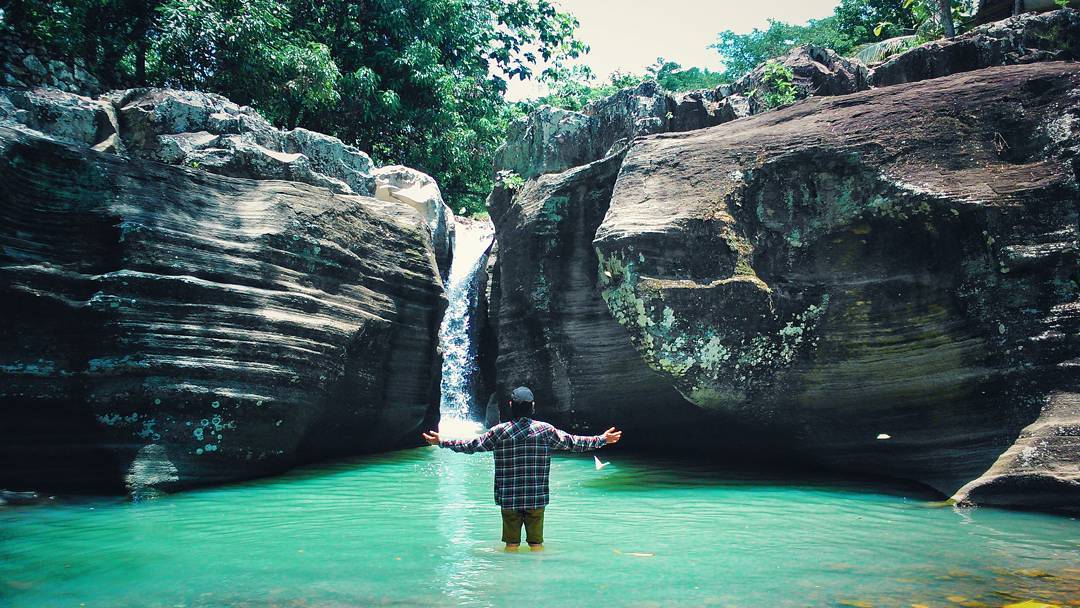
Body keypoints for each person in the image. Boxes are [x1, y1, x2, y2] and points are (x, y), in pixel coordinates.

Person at [422, 386, 622, 551]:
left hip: (509, 498)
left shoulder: (499, 432)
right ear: (532, 407)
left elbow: (471, 445)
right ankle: (535, 582)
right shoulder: (545, 430)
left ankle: (510, 584)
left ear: (511, 406)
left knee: (511, 546)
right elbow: (574, 443)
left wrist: (443, 442)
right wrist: (603, 439)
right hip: (536, 498)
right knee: (536, 546)